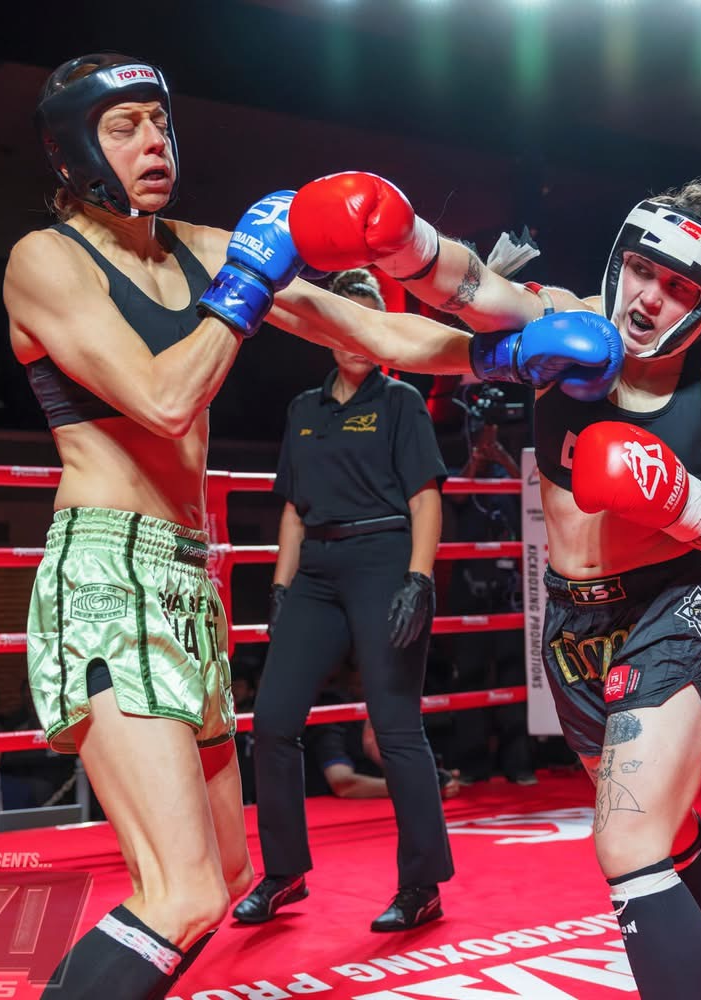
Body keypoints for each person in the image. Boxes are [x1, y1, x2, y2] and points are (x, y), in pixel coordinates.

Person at [7, 53, 622, 999]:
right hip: (105, 574)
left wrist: (501, 355)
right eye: (123, 128)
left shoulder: (204, 248)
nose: (153, 143)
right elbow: (163, 401)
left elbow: (373, 332)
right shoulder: (45, 261)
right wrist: (247, 286)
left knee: (224, 880)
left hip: (184, 579)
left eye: (159, 122)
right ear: (73, 152)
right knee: (180, 896)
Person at [290, 164, 701, 999]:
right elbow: (467, 288)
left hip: (674, 603)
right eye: (641, 270)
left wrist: (671, 494)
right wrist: (402, 242)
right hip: (573, 624)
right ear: (620, 259)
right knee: (669, 836)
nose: (647, 299)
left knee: (629, 843)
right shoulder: (563, 320)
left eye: (678, 288)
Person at [236, 269, 453, 932]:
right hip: (316, 572)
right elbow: (293, 511)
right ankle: (283, 873)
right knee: (272, 721)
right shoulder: (303, 410)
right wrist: (280, 587)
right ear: (324, 331)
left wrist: (419, 579)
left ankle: (421, 885)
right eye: (344, 323)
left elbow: (425, 498)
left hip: (385, 559)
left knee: (395, 725)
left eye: (367, 324)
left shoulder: (401, 402)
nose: (355, 336)